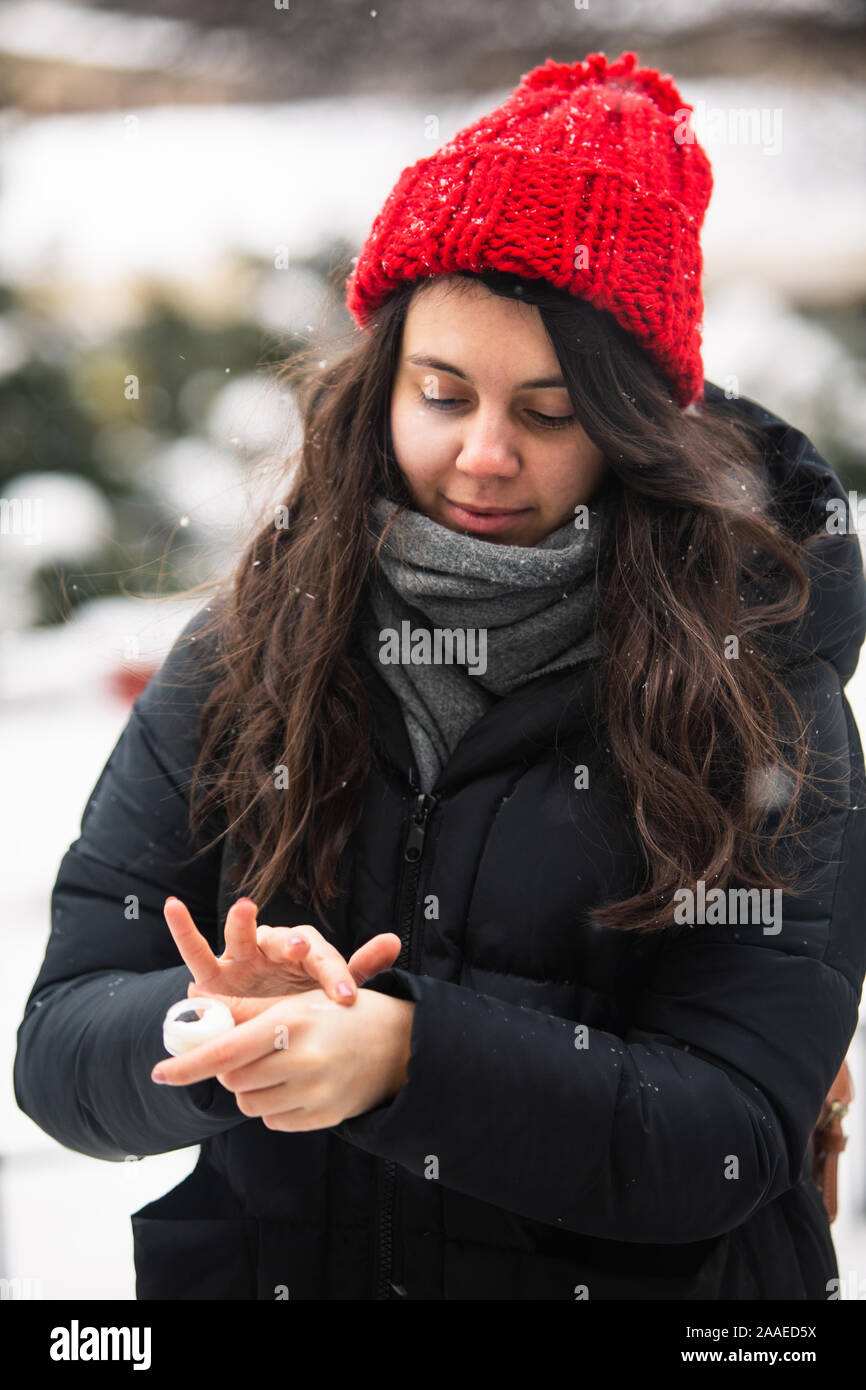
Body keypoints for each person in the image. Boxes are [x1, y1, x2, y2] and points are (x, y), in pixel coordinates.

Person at [14, 49, 866, 1301]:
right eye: (441, 392)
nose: (481, 453)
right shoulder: (253, 649)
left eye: (548, 410)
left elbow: (729, 1125)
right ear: (382, 388)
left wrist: (413, 1056)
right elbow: (62, 1035)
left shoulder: (750, 684)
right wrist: (211, 1027)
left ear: (633, 425)